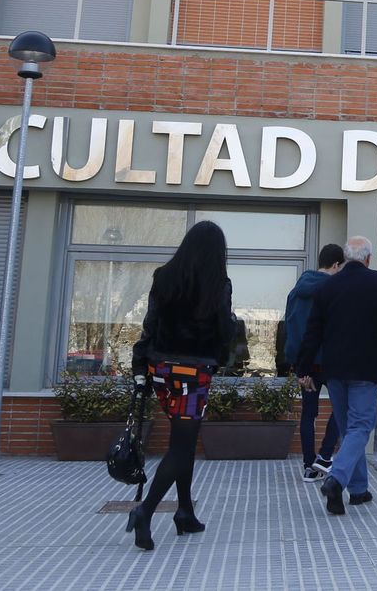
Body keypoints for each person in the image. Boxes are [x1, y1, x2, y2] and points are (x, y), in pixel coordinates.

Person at [125, 220, 233, 551]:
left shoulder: (164, 276)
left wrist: (141, 364)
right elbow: (223, 329)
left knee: (183, 440)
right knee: (182, 447)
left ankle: (185, 511)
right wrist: (222, 357)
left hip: (161, 370)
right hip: (194, 372)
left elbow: (150, 325)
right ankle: (146, 510)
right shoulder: (219, 283)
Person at [297, 235, 377, 515]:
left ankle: (358, 490)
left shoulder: (327, 287)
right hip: (365, 368)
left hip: (333, 369)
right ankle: (336, 480)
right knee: (360, 427)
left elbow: (312, 332)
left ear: (345, 259)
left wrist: (304, 368)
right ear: (368, 259)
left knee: (348, 429)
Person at [283, 242, 345, 482]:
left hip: (306, 364)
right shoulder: (335, 290)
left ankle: (309, 466)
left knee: (308, 414)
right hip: (331, 362)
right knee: (342, 409)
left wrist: (300, 365)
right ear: (337, 264)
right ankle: (325, 457)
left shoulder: (296, 291)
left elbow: (290, 328)